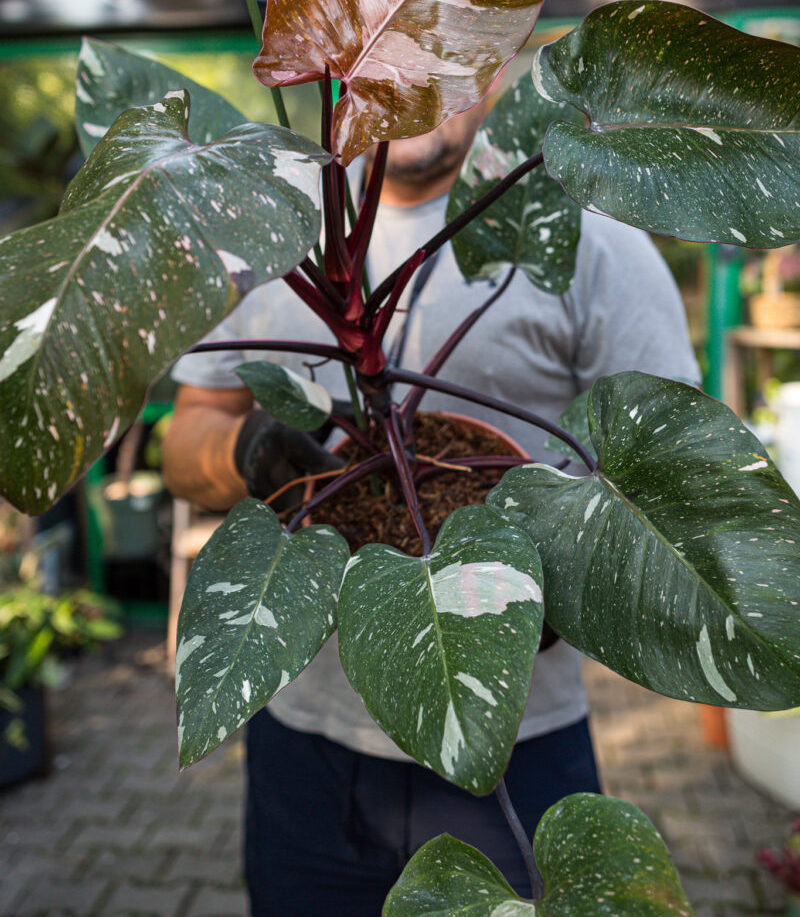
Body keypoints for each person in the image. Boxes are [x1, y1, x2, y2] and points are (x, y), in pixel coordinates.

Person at [163, 89, 700, 916]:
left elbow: (668, 463)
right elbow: (187, 433)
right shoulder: (264, 225)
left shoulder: (576, 230)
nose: (412, 89)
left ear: (489, 75)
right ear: (338, 65)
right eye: (388, 61)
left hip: (515, 746)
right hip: (308, 743)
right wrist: (245, 451)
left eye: (444, 60)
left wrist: (572, 579)